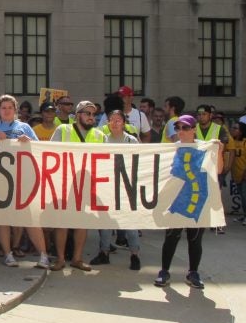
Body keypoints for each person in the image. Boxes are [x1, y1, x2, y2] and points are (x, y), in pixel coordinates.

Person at [0, 95, 50, 270]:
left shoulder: (24, 127)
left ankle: (44, 255)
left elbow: (40, 149)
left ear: (15, 109)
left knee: (29, 218)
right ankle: (8, 254)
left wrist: (29, 141)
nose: (7, 110)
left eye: (10, 107)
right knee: (2, 218)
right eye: (3, 108)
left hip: (22, 179)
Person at [154, 115, 224, 289]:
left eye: (185, 128)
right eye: (178, 128)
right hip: (177, 201)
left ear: (193, 129)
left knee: (195, 239)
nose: (181, 132)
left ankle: (193, 272)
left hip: (197, 200)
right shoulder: (172, 149)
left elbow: (219, 169)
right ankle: (164, 271)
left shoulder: (204, 147)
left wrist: (219, 151)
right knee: (171, 238)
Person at [49, 100, 106, 271]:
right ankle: (60, 259)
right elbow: (50, 153)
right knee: (63, 222)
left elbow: (106, 159)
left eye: (93, 115)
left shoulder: (99, 135)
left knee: (82, 222)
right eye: (87, 114)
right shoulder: (63, 130)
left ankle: (77, 258)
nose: (91, 118)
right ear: (78, 115)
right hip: (65, 182)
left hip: (87, 183)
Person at [90, 110, 142, 270]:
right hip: (107, 186)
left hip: (127, 187)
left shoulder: (131, 140)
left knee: (130, 223)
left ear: (124, 122)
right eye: (111, 120)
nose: (114, 123)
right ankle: (104, 252)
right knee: (105, 222)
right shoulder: (103, 140)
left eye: (118, 120)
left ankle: (135, 255)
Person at [195, 104, 230, 234]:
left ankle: (216, 223)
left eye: (204, 114)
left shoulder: (219, 129)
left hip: (214, 167)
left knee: (215, 195)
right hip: (197, 166)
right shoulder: (193, 128)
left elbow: (223, 146)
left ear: (210, 115)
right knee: (197, 194)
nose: (201, 117)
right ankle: (195, 221)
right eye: (199, 114)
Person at [227, 122, 246, 224]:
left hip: (244, 175)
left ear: (241, 131)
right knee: (242, 196)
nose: (232, 130)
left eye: (235, 128)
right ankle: (244, 215)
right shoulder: (231, 142)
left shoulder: (245, 142)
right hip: (236, 174)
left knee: (244, 197)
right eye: (232, 127)